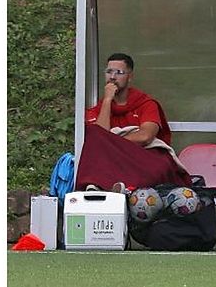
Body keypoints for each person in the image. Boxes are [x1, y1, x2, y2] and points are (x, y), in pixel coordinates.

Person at [77, 53, 190, 192]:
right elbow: (99, 136)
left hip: (142, 157)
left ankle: (121, 186)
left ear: (130, 77)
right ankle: (108, 188)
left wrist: (112, 144)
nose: (112, 77)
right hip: (115, 161)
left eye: (119, 72)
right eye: (109, 72)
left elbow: (145, 137)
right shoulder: (98, 109)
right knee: (94, 135)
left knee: (160, 165)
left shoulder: (146, 104)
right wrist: (107, 100)